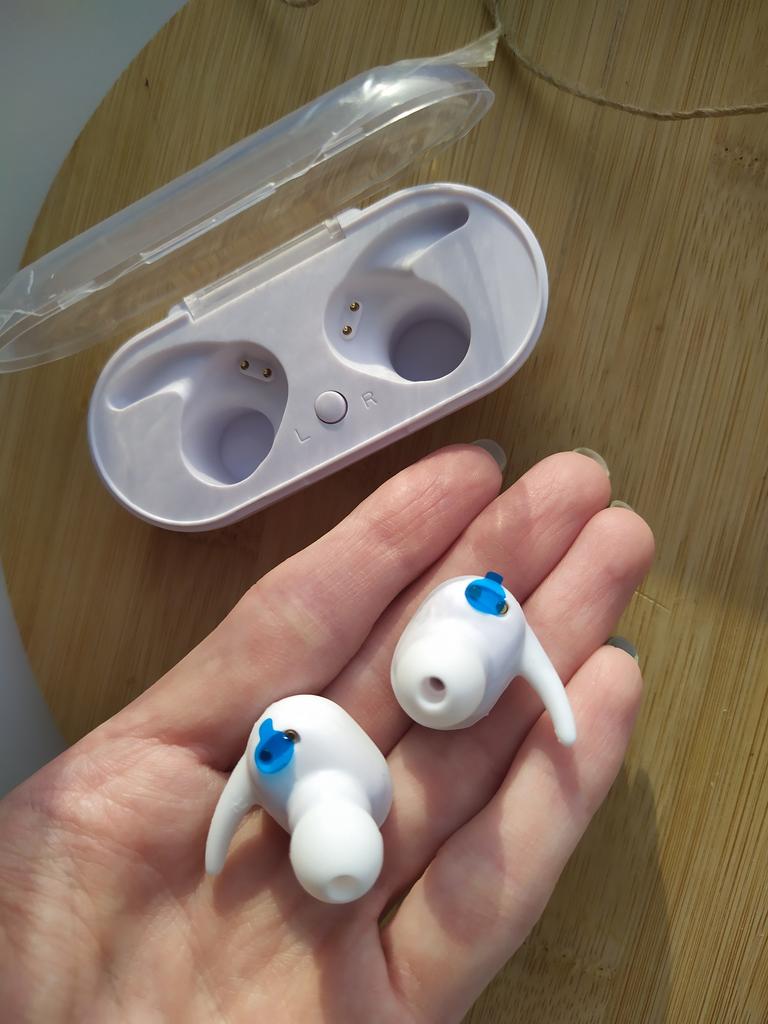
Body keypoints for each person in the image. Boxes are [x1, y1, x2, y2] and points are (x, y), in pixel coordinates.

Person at [0, 445, 653, 1022]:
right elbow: (240, 800)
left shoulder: (335, 776)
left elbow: (243, 797)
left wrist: (226, 836)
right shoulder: (366, 783)